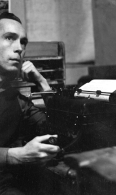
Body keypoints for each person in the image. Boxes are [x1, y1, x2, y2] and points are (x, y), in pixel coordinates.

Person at [0, 12, 60, 194]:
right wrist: (14, 156)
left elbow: (53, 125)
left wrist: (42, 82)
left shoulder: (16, 99)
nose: (19, 48)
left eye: (23, 42)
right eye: (9, 38)